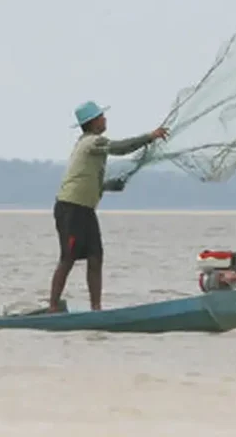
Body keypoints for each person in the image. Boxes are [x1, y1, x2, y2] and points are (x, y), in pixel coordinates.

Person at [49, 100, 168, 312]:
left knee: (96, 257)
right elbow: (120, 148)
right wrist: (149, 137)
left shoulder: (90, 144)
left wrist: (108, 186)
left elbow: (87, 178)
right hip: (70, 208)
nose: (105, 119)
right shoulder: (93, 142)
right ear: (93, 122)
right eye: (101, 117)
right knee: (68, 257)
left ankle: (96, 308)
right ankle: (53, 307)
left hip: (85, 209)